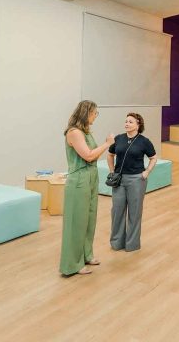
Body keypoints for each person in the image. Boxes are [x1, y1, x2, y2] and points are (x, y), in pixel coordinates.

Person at [59, 100, 114, 276]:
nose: (96, 116)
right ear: (87, 113)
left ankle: (86, 255)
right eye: (95, 113)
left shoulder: (85, 132)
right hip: (79, 180)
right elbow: (89, 156)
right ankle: (73, 264)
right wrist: (107, 144)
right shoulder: (74, 132)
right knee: (77, 222)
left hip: (91, 176)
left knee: (89, 219)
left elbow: (92, 156)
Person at [107, 112, 157, 252]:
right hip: (119, 180)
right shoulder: (118, 139)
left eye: (130, 122)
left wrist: (147, 172)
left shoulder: (144, 141)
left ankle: (132, 244)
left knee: (134, 213)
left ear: (138, 125)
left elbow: (153, 157)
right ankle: (116, 243)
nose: (127, 124)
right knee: (117, 211)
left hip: (136, 180)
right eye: (126, 121)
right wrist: (112, 171)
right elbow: (110, 155)